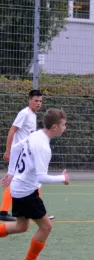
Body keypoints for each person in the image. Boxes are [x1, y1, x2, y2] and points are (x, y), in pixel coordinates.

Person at [0, 108, 69, 260]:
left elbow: (16, 148)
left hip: (18, 187)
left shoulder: (36, 134)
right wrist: (62, 178)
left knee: (21, 226)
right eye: (63, 125)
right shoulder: (43, 147)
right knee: (46, 227)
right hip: (26, 192)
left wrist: (11, 173)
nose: (65, 128)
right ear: (54, 127)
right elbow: (41, 177)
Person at [1, 90, 43, 222]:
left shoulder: (33, 115)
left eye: (40, 101)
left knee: (32, 179)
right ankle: (3, 211)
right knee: (14, 179)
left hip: (27, 154)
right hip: (19, 153)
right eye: (36, 101)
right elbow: (12, 131)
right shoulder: (24, 113)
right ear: (29, 100)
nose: (38, 103)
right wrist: (8, 151)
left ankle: (38, 211)